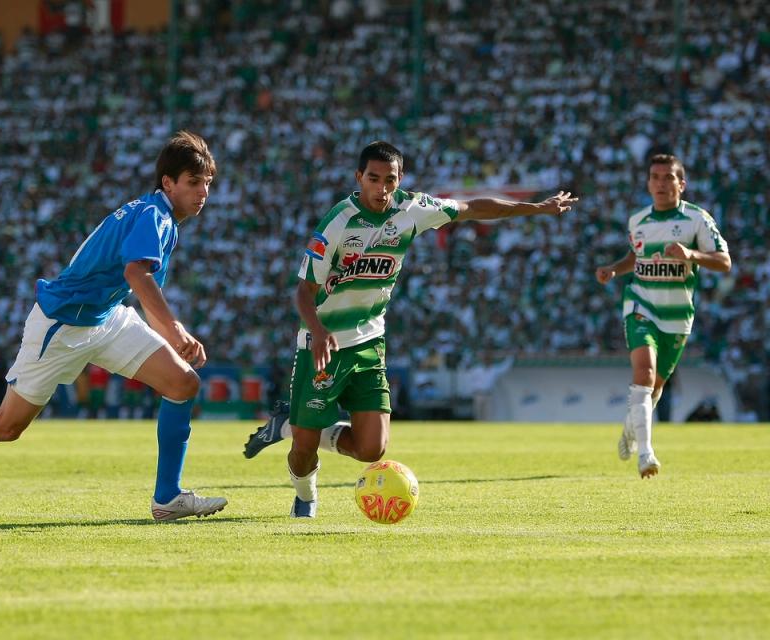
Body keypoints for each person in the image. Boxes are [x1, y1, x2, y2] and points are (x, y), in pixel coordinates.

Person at [0, 131, 227, 521]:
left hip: (105, 316)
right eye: (193, 182)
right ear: (168, 182)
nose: (203, 192)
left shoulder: (158, 214)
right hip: (62, 324)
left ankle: (167, 497)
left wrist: (168, 327)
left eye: (207, 183)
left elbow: (135, 280)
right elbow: (136, 273)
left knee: (183, 383)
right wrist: (175, 329)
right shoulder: (154, 214)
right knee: (6, 426)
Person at [243, 141, 577, 517]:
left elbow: (472, 208)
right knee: (304, 449)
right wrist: (318, 331)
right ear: (359, 178)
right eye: (373, 179)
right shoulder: (337, 223)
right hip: (322, 346)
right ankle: (304, 494)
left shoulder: (413, 209)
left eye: (390, 180)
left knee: (372, 449)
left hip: (369, 342)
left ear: (400, 180)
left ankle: (291, 425)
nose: (382, 188)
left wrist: (534, 208)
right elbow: (304, 291)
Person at [595, 153, 731, 478]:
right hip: (640, 304)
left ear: (681, 184)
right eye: (655, 177)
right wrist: (614, 270)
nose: (661, 183)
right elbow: (636, 257)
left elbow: (724, 262)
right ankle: (646, 454)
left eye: (668, 177)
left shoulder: (697, 219)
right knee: (643, 374)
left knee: (655, 387)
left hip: (678, 315)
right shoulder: (637, 220)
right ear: (648, 184)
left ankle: (631, 429)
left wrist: (692, 255)